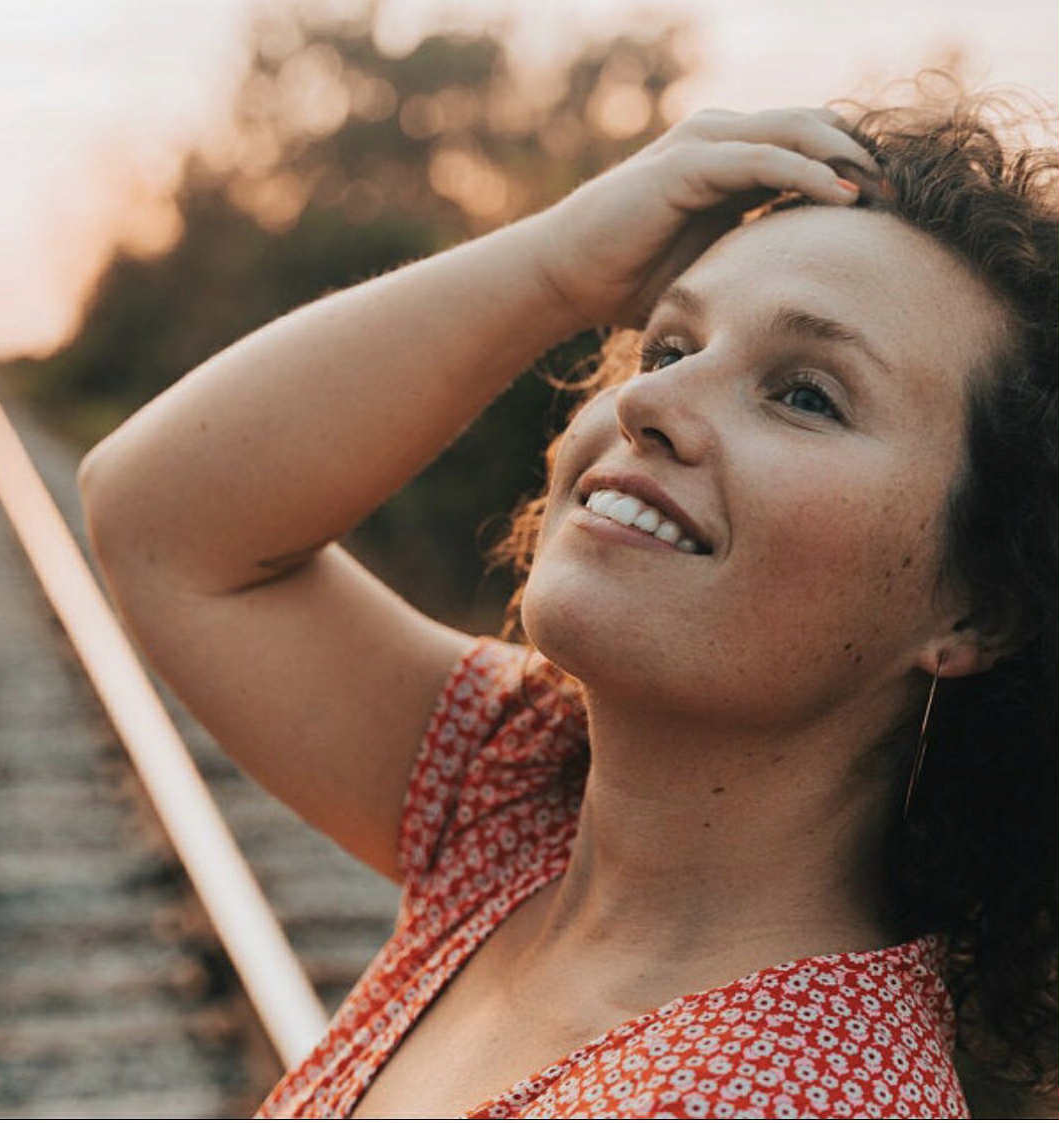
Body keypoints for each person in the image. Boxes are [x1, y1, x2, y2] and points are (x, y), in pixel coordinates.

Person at [78, 88, 1057, 1118]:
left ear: (979, 609)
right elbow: (160, 523)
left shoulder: (797, 1098)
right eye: (668, 348)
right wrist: (559, 265)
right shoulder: (520, 801)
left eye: (805, 394)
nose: (646, 400)